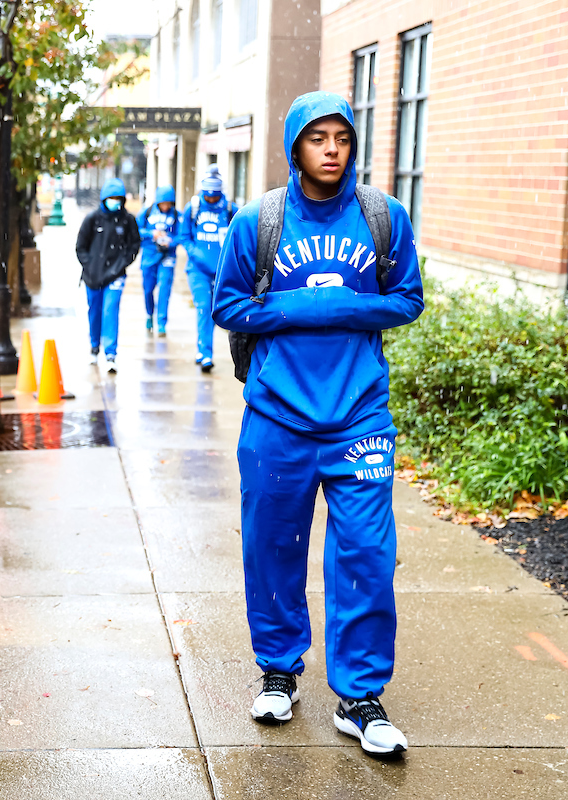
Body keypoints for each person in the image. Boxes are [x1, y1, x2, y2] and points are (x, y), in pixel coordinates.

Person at [211, 91, 424, 757]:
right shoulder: (260, 221)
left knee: (366, 554)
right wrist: (308, 305)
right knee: (272, 549)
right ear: (294, 147)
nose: (331, 148)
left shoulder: (383, 217)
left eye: (341, 137)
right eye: (317, 138)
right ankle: (279, 671)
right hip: (277, 416)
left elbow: (407, 300)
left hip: (360, 415)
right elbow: (228, 306)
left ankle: (359, 697)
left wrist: (337, 309)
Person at [76, 177, 140, 374]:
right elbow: (81, 247)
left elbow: (134, 245)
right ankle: (94, 347)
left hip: (115, 277)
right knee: (94, 312)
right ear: (104, 198)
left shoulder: (128, 220)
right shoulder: (92, 219)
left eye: (118, 198)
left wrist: (121, 264)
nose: (115, 201)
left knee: (110, 311)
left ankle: (111, 354)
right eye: (111, 197)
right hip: (92, 278)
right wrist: (90, 265)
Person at [180, 165, 237, 373]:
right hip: (197, 271)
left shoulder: (231, 209)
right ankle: (205, 353)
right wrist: (196, 254)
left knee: (215, 313)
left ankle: (203, 347)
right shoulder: (192, 208)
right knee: (203, 307)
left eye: (215, 197)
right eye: (208, 196)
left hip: (223, 272)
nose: (211, 200)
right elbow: (184, 236)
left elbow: (239, 238)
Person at [137, 185, 180, 336]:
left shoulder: (176, 215)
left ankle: (161, 323)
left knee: (164, 290)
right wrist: (151, 234)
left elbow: (182, 234)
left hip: (167, 256)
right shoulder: (147, 213)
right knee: (148, 289)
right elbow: (136, 230)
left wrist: (171, 241)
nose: (166, 206)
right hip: (149, 256)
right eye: (163, 203)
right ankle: (149, 314)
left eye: (169, 203)